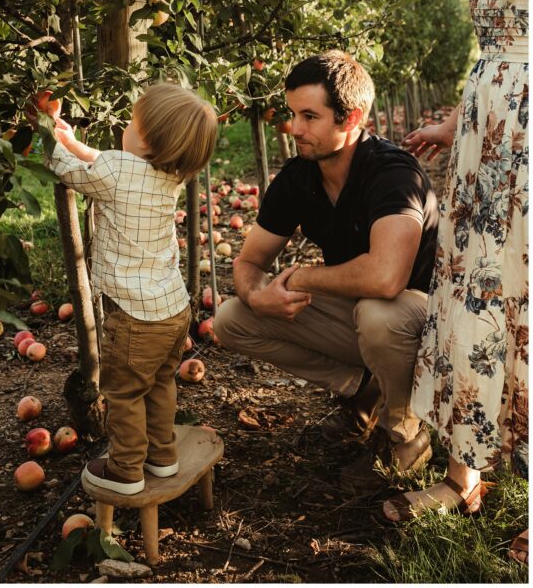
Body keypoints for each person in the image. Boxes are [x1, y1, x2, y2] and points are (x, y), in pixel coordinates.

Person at [381, 0, 528, 562]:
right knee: (473, 293)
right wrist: (454, 117)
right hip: (482, 151)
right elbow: (493, 56)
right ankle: (464, 467)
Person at [213, 50, 440, 493]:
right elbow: (249, 262)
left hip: (426, 326)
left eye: (310, 116)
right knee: (231, 319)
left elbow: (386, 278)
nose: (295, 128)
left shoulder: (392, 174)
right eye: (293, 114)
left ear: (350, 117)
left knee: (380, 312)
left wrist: (301, 277)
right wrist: (257, 295)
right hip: (360, 317)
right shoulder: (300, 176)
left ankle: (406, 434)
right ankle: (364, 390)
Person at [36, 83, 217, 495]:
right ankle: (163, 455)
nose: (126, 128)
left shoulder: (118, 171)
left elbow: (69, 169)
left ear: (147, 139)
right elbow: (110, 164)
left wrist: (48, 131)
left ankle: (126, 469)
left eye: (132, 124)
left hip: (135, 317)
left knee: (124, 393)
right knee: (160, 383)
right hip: (173, 310)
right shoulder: (173, 173)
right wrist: (77, 142)